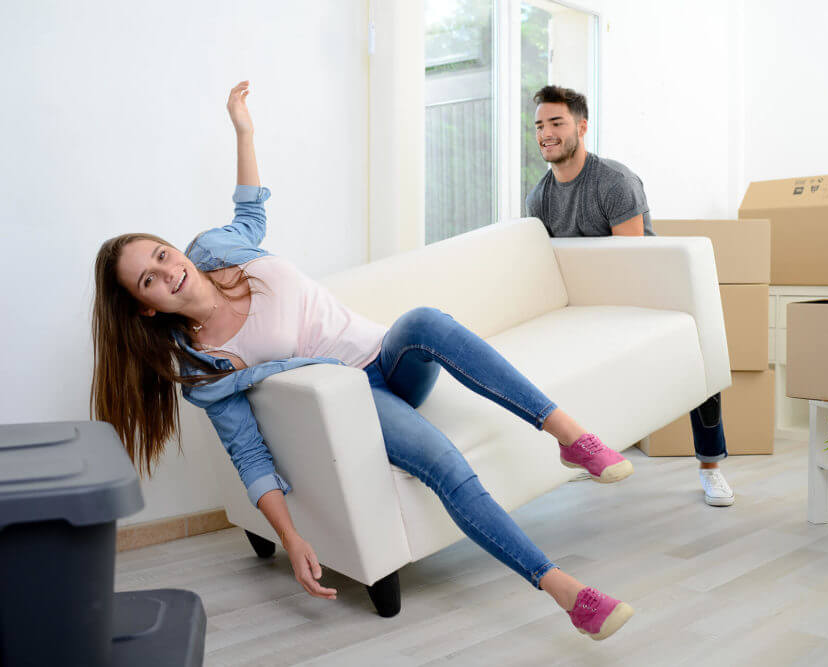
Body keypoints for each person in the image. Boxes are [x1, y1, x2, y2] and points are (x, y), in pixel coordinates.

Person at [90, 81, 635, 640]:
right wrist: (291, 536)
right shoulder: (205, 365)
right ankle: (567, 593)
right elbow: (249, 454)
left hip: (387, 357)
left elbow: (250, 207)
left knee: (424, 319)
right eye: (148, 280)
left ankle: (569, 435)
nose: (168, 271)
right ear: (145, 308)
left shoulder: (218, 248)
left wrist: (244, 129)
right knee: (447, 468)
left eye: (161, 254)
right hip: (358, 399)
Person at [526, 84, 735, 508]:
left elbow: (631, 264)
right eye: (539, 125)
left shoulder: (613, 181)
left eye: (556, 123)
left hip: (655, 294)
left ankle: (711, 467)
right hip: (586, 303)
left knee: (703, 370)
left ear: (581, 127)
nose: (546, 133)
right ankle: (590, 454)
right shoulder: (539, 199)